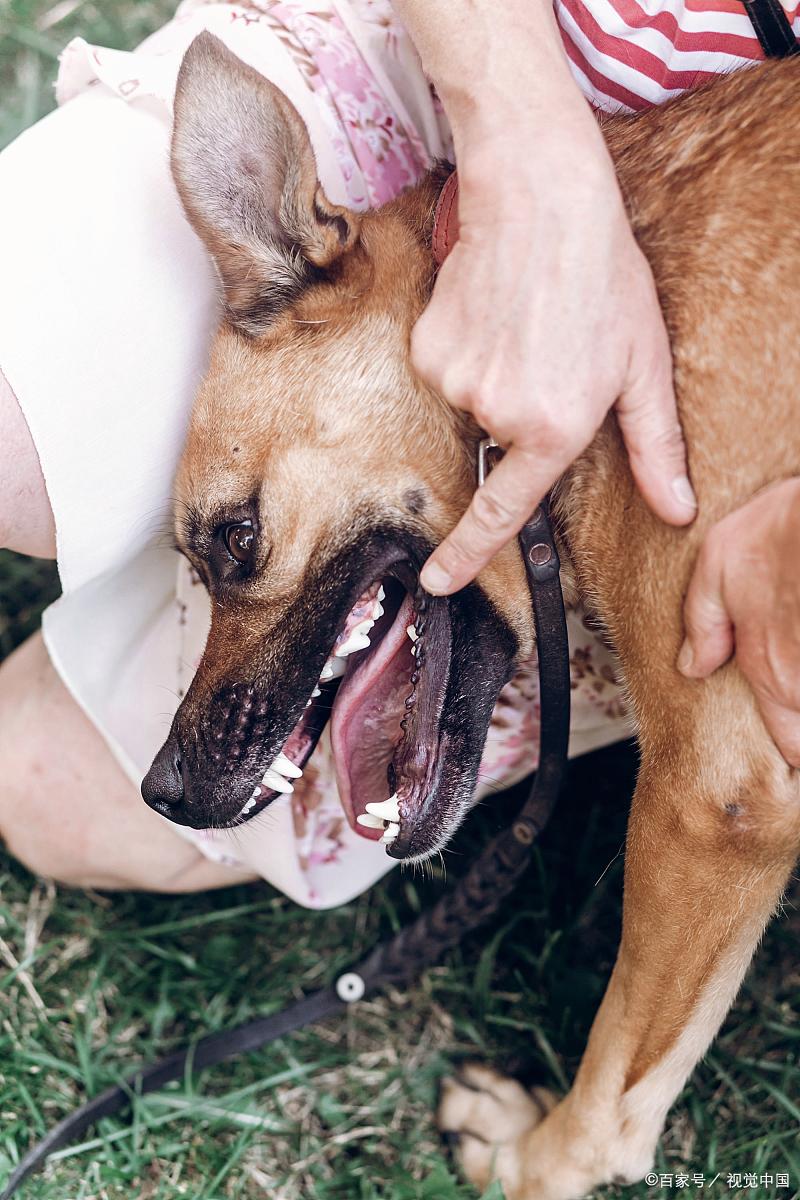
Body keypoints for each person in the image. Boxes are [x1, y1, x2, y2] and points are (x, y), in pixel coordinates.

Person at [0, 0, 797, 901]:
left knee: (42, 778)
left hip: (712, 209)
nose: (241, 555)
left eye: (238, 544)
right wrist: (527, 163)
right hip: (474, 75)